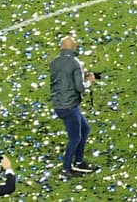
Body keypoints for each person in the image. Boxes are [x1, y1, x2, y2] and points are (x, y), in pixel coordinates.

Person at [49, 35, 98, 179]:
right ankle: (67, 167)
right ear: (74, 48)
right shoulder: (75, 63)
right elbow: (79, 87)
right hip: (69, 105)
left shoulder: (54, 62)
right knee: (75, 137)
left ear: (61, 47)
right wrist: (89, 81)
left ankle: (79, 161)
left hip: (59, 103)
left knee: (85, 128)